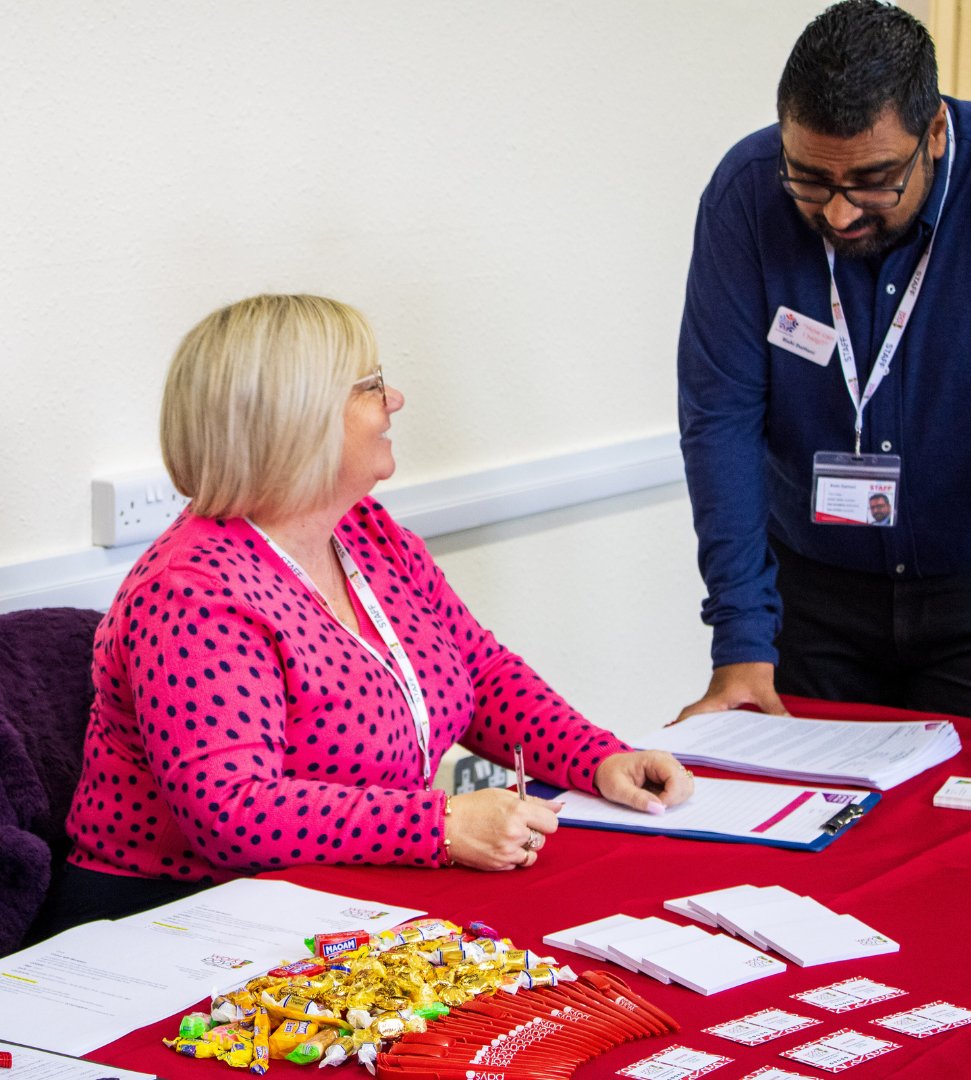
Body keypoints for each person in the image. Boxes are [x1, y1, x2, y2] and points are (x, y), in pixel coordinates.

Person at [47, 294, 691, 933]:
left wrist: (598, 758)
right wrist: (441, 825)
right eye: (371, 385)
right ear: (295, 419)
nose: (395, 401)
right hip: (173, 921)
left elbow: (481, 673)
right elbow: (234, 813)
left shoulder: (365, 532)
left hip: (336, 894)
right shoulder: (191, 592)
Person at [676, 0, 971, 749]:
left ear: (932, 134)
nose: (838, 213)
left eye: (872, 180)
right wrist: (740, 639)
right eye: (809, 179)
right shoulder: (744, 193)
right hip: (815, 598)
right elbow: (719, 418)